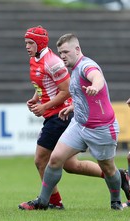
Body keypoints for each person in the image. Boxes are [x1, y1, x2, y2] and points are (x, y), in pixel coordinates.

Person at [21, 25, 130, 209]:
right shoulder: (72, 67)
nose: (62, 56)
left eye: (65, 52)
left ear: (77, 50)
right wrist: (71, 106)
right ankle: (44, 201)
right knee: (55, 159)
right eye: (60, 52)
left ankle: (116, 201)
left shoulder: (86, 65)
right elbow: (79, 95)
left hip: (101, 128)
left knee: (108, 168)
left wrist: (96, 86)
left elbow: (97, 77)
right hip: (79, 125)